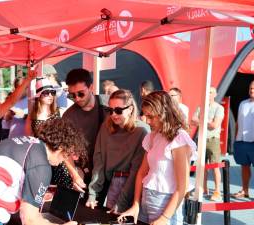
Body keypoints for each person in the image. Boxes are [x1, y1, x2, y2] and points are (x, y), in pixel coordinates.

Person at [0, 118, 87, 225]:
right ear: (62, 148)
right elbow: (30, 220)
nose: (63, 161)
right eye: (66, 155)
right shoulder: (42, 165)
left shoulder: (25, 141)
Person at [119, 91, 197, 225]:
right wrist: (136, 204)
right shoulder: (152, 136)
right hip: (146, 197)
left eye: (151, 116)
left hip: (166, 203)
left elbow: (182, 187)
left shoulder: (179, 139)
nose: (147, 121)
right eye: (145, 115)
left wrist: (164, 218)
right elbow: (142, 172)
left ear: (164, 113)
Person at [86, 89, 149, 213]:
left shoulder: (142, 131)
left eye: (118, 110)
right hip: (109, 183)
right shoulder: (106, 127)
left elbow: (136, 170)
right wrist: (92, 194)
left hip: (132, 186)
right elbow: (99, 161)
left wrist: (121, 202)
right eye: (110, 110)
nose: (113, 114)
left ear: (130, 109)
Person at [62, 68, 107, 197]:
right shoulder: (68, 116)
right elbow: (65, 151)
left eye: (81, 94)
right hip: (84, 174)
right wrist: (75, 174)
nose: (76, 99)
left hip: (109, 173)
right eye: (72, 95)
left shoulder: (108, 105)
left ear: (91, 87)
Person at [191, 87, 224, 201]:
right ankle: (203, 188)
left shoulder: (219, 108)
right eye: (207, 92)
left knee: (215, 166)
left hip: (213, 140)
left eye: (210, 92)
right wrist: (208, 121)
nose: (208, 94)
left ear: (215, 94)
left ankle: (217, 191)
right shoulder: (201, 107)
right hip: (201, 139)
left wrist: (201, 120)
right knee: (201, 166)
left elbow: (215, 125)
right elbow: (192, 120)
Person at [232, 80, 254, 199]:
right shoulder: (243, 103)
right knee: (244, 167)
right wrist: (236, 139)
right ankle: (244, 190)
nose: (252, 90)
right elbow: (237, 123)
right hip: (241, 142)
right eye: (251, 88)